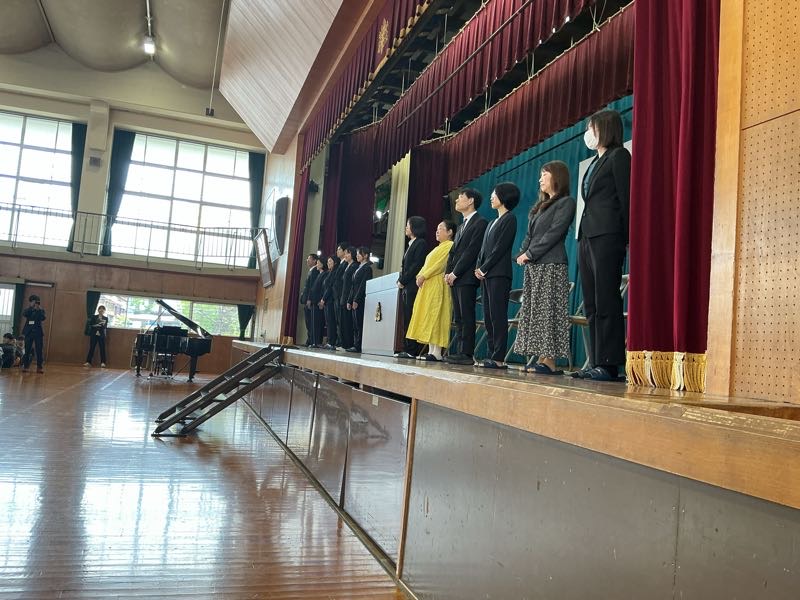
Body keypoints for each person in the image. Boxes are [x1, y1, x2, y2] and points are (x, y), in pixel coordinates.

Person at [573, 109, 630, 381]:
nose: (588, 133)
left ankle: (609, 363)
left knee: (606, 298)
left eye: (592, 128)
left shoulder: (619, 156)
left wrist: (627, 237)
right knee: (592, 302)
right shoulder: (595, 161)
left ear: (605, 129)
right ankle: (595, 360)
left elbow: (626, 199)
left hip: (608, 236)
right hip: (587, 235)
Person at [513, 161, 576, 374]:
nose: (540, 179)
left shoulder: (566, 202)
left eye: (544, 174)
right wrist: (522, 253)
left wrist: (530, 254)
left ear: (557, 177)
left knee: (548, 312)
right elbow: (529, 236)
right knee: (535, 312)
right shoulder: (540, 206)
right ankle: (541, 358)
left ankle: (549, 361)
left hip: (552, 264)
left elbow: (554, 233)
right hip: (534, 266)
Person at [475, 182, 520, 369]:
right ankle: (490, 353)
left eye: (495, 194)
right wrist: (479, 266)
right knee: (488, 315)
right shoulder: (491, 222)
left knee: (497, 315)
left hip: (499, 274)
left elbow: (500, 248)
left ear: (504, 196)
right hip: (487, 275)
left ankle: (499, 357)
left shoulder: (510, 219)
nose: (491, 197)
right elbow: (483, 249)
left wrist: (484, 268)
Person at [444, 189, 488, 365]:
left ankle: (467, 353)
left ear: (470, 201)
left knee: (467, 315)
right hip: (455, 277)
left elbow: (472, 251)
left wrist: (455, 273)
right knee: (458, 317)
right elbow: (453, 252)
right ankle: (460, 351)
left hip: (467, 277)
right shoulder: (461, 226)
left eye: (460, 198)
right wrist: (448, 272)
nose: (456, 201)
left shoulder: (480, 222)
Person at [406, 221, 456, 361]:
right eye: (436, 229)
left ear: (450, 232)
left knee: (437, 316)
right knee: (428, 316)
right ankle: (431, 350)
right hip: (428, 285)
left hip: (438, 284)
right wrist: (419, 276)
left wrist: (424, 275)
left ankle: (437, 352)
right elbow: (426, 265)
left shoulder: (450, 245)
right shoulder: (436, 248)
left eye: (441, 229)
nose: (437, 231)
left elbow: (440, 265)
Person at [395, 216, 429, 359]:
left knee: (411, 317)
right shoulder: (411, 243)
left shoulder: (420, 243)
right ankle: (406, 347)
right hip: (407, 286)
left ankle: (411, 349)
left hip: (413, 286)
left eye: (408, 225)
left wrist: (403, 280)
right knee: (406, 317)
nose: (406, 228)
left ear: (415, 227)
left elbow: (416, 265)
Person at [346, 246, 373, 353]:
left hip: (360, 300)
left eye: (359, 254)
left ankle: (359, 345)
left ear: (365, 255)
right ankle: (355, 344)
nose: (357, 256)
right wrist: (349, 300)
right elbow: (353, 286)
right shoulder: (358, 267)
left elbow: (363, 285)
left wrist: (356, 300)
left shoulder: (367, 268)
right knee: (354, 323)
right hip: (354, 298)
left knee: (359, 323)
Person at [338, 246, 358, 351]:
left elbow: (352, 285)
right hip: (343, 297)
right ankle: (343, 343)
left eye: (348, 253)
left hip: (348, 298)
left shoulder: (354, 266)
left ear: (352, 254)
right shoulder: (347, 266)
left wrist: (349, 299)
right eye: (345, 253)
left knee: (347, 323)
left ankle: (348, 344)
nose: (345, 255)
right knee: (342, 322)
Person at [21, 294, 46, 373]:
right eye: (33, 302)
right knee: (27, 349)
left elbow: (43, 318)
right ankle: (26, 366)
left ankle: (39, 367)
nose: (35, 303)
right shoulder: (28, 309)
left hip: (38, 333)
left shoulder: (41, 310)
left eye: (36, 302)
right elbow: (24, 314)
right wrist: (31, 307)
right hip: (29, 332)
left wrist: (38, 309)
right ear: (31, 302)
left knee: (39, 350)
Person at [321, 255, 341, 350]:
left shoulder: (335, 272)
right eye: (328, 261)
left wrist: (324, 298)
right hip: (327, 300)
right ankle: (330, 341)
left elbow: (330, 287)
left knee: (331, 322)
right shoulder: (329, 272)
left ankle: (332, 342)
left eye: (330, 261)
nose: (328, 263)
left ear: (335, 262)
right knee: (328, 322)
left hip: (330, 300)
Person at [299, 253, 319, 346]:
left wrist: (309, 299)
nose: (307, 260)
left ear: (315, 261)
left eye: (309, 258)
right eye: (307, 258)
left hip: (310, 300)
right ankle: (309, 340)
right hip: (307, 299)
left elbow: (312, 287)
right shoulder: (311, 270)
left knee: (311, 322)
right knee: (308, 321)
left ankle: (311, 341)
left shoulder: (315, 271)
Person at [309, 257, 328, 347]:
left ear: (322, 264)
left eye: (318, 263)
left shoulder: (325, 274)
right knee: (313, 323)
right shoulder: (319, 274)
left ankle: (317, 342)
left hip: (318, 302)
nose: (317, 265)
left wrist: (321, 300)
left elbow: (322, 289)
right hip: (314, 302)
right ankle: (314, 342)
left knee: (318, 323)